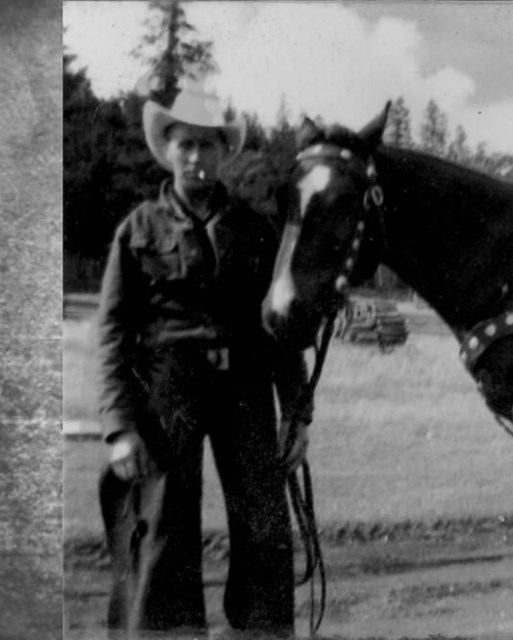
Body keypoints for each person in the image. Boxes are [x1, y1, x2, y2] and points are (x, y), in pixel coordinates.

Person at [96, 84, 312, 638]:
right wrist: (119, 428)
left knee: (264, 526)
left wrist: (297, 414)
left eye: (208, 146)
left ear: (224, 154)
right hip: (169, 388)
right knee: (163, 526)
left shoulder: (256, 230)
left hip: (245, 387)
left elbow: (281, 327)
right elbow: (113, 334)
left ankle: (261, 633)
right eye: (185, 144)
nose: (196, 157)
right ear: (167, 149)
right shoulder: (138, 229)